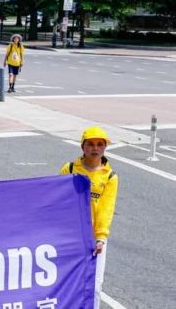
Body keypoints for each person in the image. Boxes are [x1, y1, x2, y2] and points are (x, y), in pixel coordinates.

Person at [60, 126, 118, 309]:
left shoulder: (110, 177)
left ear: (104, 148)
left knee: (94, 285)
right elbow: (57, 199)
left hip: (93, 239)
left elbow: (105, 209)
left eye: (100, 144)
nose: (95, 148)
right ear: (82, 147)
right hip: (70, 236)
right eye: (90, 144)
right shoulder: (69, 169)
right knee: (66, 280)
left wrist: (100, 237)